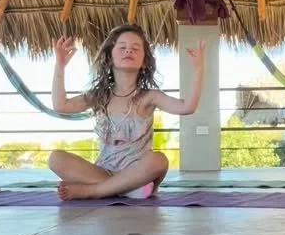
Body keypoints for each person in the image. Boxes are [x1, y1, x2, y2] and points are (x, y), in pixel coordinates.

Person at [48, 23, 206, 200]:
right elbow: (61, 105)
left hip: (139, 172)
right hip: (103, 172)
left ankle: (94, 190)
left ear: (144, 61)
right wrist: (60, 66)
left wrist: (199, 69)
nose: (128, 51)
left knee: (159, 160)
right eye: (122, 47)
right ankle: (126, 189)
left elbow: (187, 107)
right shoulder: (99, 96)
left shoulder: (150, 97)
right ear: (110, 58)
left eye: (135, 48)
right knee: (55, 158)